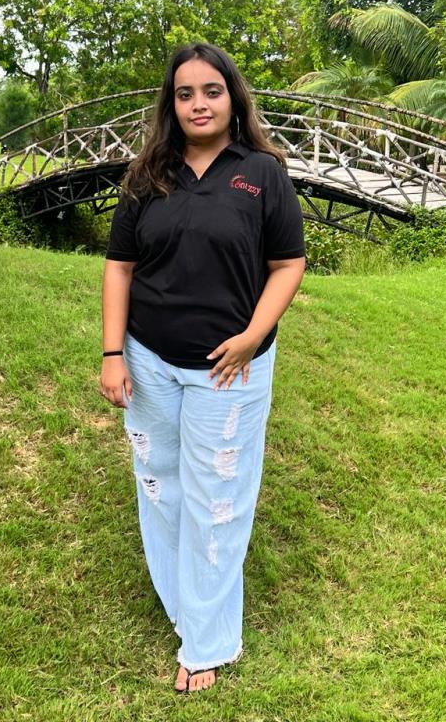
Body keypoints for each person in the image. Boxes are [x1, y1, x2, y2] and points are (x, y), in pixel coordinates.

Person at [100, 42, 306, 694]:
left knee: (217, 500)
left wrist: (252, 336)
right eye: (184, 93)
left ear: (232, 97)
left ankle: (207, 642)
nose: (198, 104)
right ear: (171, 104)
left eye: (211, 91)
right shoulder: (147, 176)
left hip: (231, 370)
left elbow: (288, 264)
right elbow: (120, 268)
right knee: (161, 486)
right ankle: (187, 608)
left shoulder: (262, 173)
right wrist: (112, 353)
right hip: (149, 361)